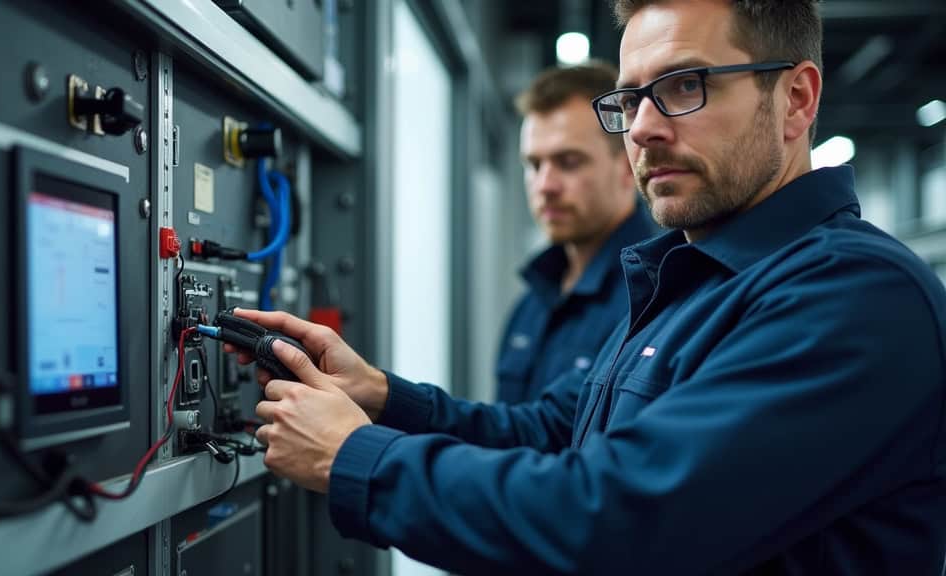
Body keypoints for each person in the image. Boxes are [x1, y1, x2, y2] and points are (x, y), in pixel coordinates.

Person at [230, 0, 946, 573]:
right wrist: (381, 396)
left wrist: (357, 458)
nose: (642, 128)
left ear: (795, 99)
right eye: (631, 100)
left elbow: (622, 519)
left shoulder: (854, 296)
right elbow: (551, 435)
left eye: (682, 87)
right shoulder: (692, 282)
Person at [497, 62, 656, 405]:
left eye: (568, 162)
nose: (545, 186)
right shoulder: (532, 302)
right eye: (534, 165)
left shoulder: (651, 298)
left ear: (629, 166)